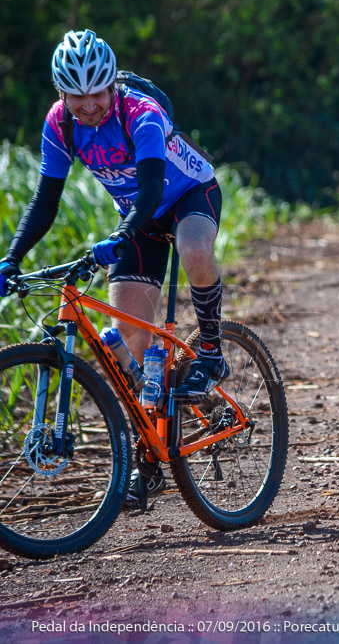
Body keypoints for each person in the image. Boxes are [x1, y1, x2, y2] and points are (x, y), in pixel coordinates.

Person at [0, 29, 229, 400]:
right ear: (62, 93)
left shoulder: (141, 113)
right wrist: (11, 259)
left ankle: (211, 354)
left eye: (97, 94)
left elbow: (153, 187)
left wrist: (122, 233)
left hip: (189, 193)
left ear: (112, 87)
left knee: (194, 248)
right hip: (138, 220)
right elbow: (44, 203)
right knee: (127, 343)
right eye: (78, 96)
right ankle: (154, 436)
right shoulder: (60, 125)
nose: (88, 105)